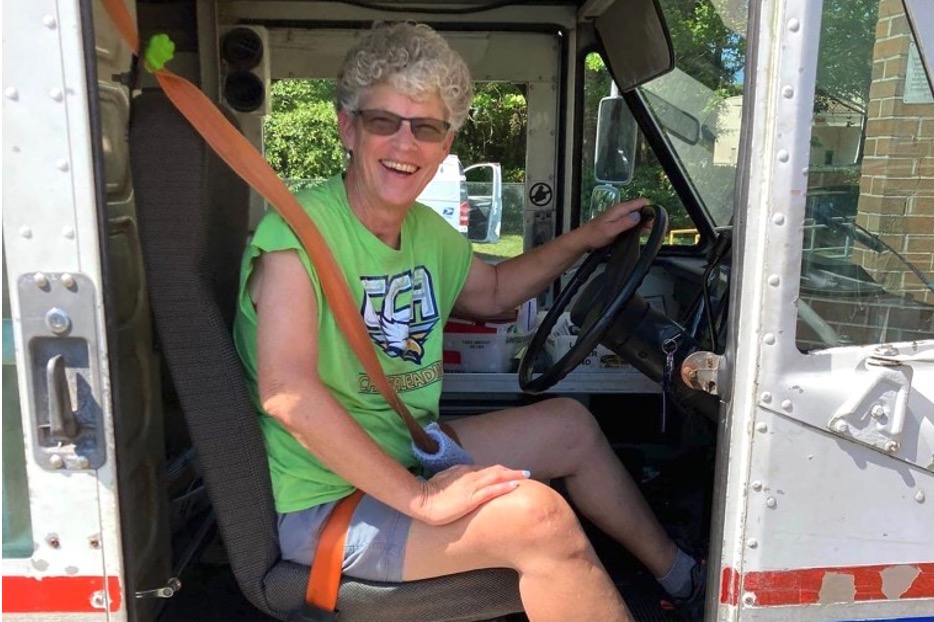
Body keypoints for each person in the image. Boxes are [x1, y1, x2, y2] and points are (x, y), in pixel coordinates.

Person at [233, 21, 704, 622]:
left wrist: (584, 240)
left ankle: (683, 578)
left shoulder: (425, 232)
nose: (405, 144)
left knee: (570, 426)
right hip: (328, 501)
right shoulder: (294, 239)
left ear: (446, 143)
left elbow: (496, 291)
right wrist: (420, 498)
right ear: (348, 127)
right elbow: (287, 394)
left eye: (426, 128)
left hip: (404, 450)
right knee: (539, 519)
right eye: (384, 121)